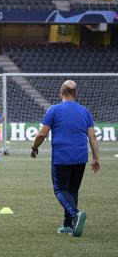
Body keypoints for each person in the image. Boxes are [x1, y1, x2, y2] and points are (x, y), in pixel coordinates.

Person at [30, 80, 100, 237]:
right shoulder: (84, 111)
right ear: (75, 94)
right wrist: (96, 158)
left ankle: (75, 215)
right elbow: (93, 137)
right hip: (81, 156)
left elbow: (42, 133)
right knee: (72, 190)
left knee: (60, 189)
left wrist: (34, 148)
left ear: (61, 93)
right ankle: (68, 225)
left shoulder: (54, 110)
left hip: (62, 157)